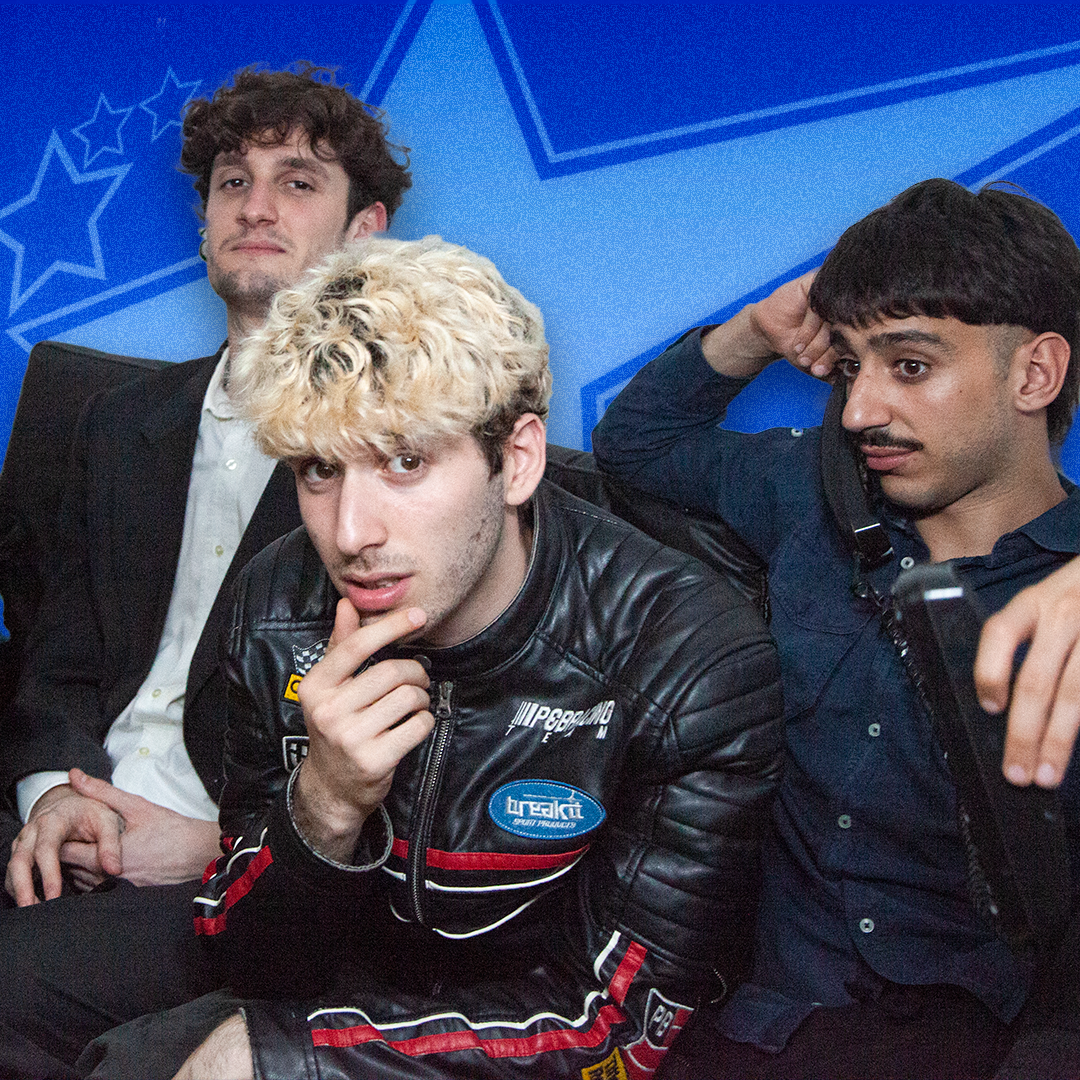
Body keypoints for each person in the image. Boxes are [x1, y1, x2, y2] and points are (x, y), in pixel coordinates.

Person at [78, 236, 784, 1080]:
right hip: (340, 991)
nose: (351, 533)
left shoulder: (687, 659)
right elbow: (252, 962)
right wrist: (325, 804)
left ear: (516, 460)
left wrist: (293, 1063)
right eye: (319, 470)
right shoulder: (275, 608)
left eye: (404, 461)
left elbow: (618, 1031)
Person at [592, 178, 1080, 1078]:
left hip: (991, 1043)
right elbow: (637, 445)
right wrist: (753, 333)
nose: (858, 412)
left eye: (910, 366)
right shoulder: (809, 496)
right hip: (763, 1027)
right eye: (852, 367)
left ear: (1035, 375)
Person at [0, 64, 410, 1079]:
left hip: (235, 871)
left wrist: (226, 844)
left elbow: (423, 728)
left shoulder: (405, 461)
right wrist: (54, 795)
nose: (255, 206)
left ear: (366, 232)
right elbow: (57, 656)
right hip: (69, 812)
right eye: (233, 181)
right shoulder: (115, 421)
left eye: (297, 182)